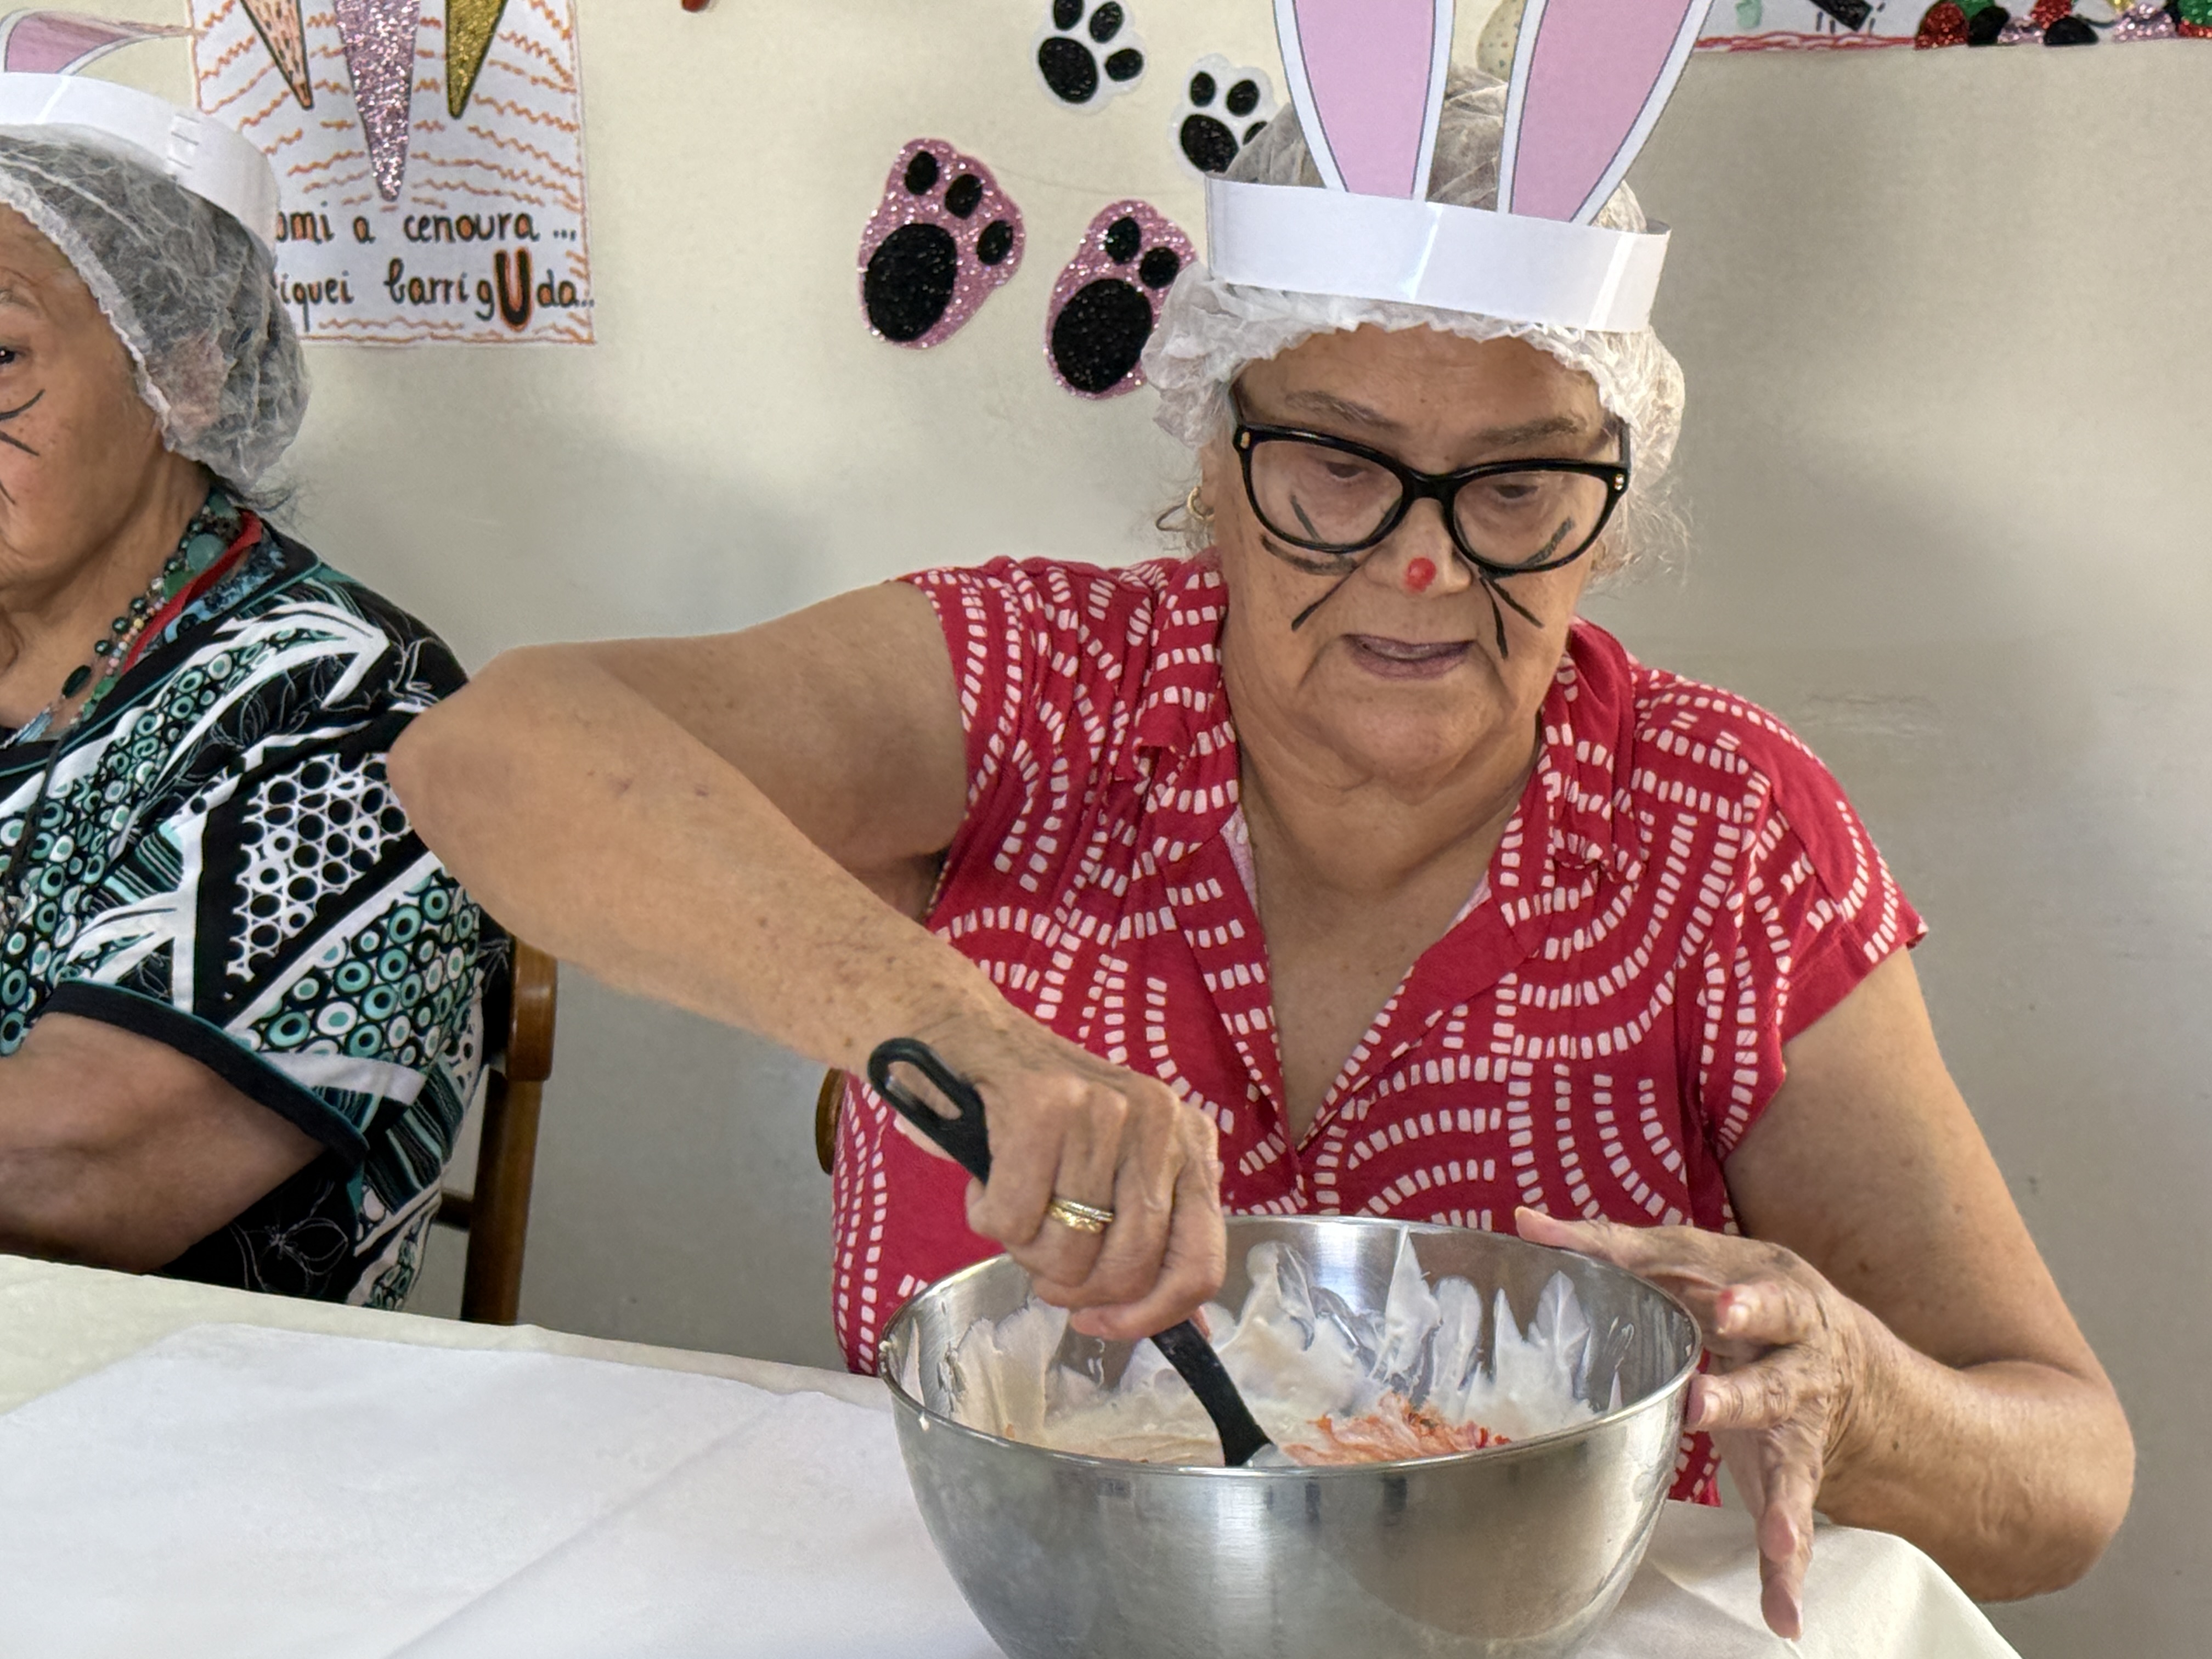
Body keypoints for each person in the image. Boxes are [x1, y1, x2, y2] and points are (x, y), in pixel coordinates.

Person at [389, 74, 2130, 1635]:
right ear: (1212, 468)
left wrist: (1861, 1395)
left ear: (1613, 507)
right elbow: (490, 757)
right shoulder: (1032, 691)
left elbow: (2065, 1479)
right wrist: (967, 1040)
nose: (1423, 566)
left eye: (1516, 485)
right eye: (1333, 467)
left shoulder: (1721, 829)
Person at [0, 82, 492, 1306]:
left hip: (174, 1409)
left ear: (187, 372)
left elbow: (67, 1171)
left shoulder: (361, 713)